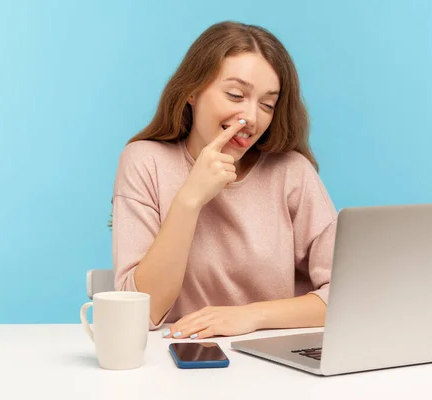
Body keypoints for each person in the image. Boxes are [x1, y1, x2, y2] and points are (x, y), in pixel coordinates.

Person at [111, 21, 337, 340]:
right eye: (235, 95)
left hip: (274, 359)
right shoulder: (145, 161)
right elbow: (141, 311)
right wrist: (190, 199)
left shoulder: (292, 172)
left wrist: (249, 316)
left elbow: (346, 295)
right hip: (178, 358)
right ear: (192, 90)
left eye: (267, 104)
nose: (252, 118)